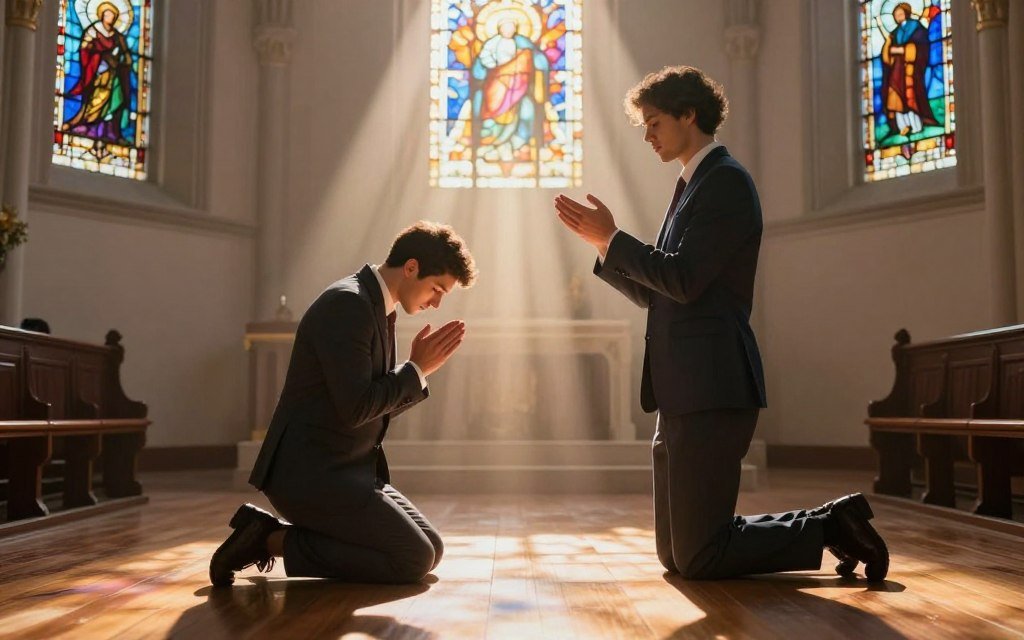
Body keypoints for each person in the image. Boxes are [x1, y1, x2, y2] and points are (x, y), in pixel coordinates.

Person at [553, 65, 890, 581]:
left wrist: (617, 239)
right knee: (676, 555)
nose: (647, 136)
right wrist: (605, 246)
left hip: (713, 384)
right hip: (681, 389)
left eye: (654, 122)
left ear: (689, 114)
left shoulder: (726, 181)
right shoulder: (691, 186)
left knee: (698, 556)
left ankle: (829, 527)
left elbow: (683, 279)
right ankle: (827, 522)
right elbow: (658, 293)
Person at [210, 221, 476, 586]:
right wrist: (414, 370)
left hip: (348, 469)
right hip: (310, 475)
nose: (436, 303)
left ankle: (271, 535)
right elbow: (356, 408)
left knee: (432, 549)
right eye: (436, 289)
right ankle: (266, 538)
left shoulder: (377, 306)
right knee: (412, 557)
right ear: (411, 267)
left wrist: (417, 373)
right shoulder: (348, 304)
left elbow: (368, 405)